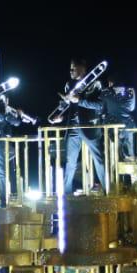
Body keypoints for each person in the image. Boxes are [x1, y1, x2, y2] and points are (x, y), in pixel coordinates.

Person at [52, 59, 109, 194]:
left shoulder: (95, 84)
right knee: (70, 162)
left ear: (82, 69)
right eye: (70, 68)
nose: (71, 71)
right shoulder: (69, 85)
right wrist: (60, 117)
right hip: (72, 127)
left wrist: (80, 101)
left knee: (98, 159)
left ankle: (108, 190)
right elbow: (68, 106)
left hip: (89, 126)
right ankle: (66, 194)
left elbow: (100, 106)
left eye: (74, 68)